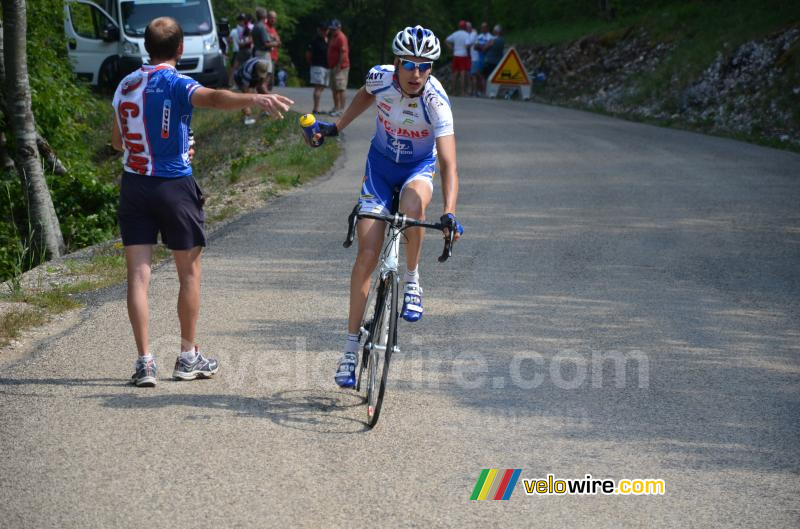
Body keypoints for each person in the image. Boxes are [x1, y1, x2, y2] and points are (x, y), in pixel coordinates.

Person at [112, 17, 293, 387]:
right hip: (174, 185)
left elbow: (118, 141)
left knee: (138, 276)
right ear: (180, 49)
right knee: (189, 273)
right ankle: (188, 356)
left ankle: (145, 362)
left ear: (147, 46)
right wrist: (254, 98)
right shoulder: (176, 82)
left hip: (134, 184)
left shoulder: (126, 84)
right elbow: (213, 97)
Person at [308, 25, 463, 388]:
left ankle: (412, 279)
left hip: (416, 170)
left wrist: (451, 212)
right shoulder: (380, 78)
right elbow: (363, 96)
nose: (416, 73)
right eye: (409, 64)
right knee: (367, 253)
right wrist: (337, 126)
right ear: (396, 63)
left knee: (413, 208)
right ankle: (349, 350)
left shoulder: (436, 100)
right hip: (379, 169)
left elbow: (449, 164)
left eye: (425, 66)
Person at [233, 57, 270, 124]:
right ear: (256, 70)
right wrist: (252, 96)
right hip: (239, 77)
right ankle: (247, 117)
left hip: (254, 73)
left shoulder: (265, 64)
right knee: (246, 97)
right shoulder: (247, 72)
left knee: (262, 89)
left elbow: (262, 83)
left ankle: (266, 110)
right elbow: (246, 91)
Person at [326, 19, 349, 117]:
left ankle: (341, 109)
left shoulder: (341, 37)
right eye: (331, 29)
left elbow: (343, 52)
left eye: (334, 29)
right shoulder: (333, 36)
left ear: (339, 28)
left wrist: (339, 66)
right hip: (333, 67)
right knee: (334, 88)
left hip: (340, 67)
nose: (332, 30)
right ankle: (336, 107)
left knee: (340, 88)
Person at [306, 20, 329, 114]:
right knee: (318, 87)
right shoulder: (314, 40)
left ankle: (317, 107)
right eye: (323, 30)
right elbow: (308, 54)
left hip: (326, 66)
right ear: (318, 30)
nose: (324, 31)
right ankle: (316, 108)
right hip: (317, 66)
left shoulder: (328, 39)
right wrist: (311, 63)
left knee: (322, 87)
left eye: (326, 30)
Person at [445, 20, 471, 96]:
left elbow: (446, 40)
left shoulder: (455, 34)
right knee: (463, 74)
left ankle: (453, 91)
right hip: (464, 55)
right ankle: (463, 92)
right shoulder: (467, 35)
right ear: (465, 27)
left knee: (455, 74)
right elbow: (467, 45)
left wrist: (452, 48)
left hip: (456, 55)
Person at [251, 7, 275, 90]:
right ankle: (263, 88)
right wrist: (276, 43)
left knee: (260, 73)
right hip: (264, 53)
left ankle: (260, 89)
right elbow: (266, 43)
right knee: (268, 72)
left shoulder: (255, 26)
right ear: (264, 16)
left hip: (257, 51)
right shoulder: (262, 27)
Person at [228, 13, 252, 86]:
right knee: (237, 68)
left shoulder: (235, 30)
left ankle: (233, 83)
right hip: (238, 50)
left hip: (241, 50)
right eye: (241, 20)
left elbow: (229, 41)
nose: (242, 22)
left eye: (243, 20)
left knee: (236, 68)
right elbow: (230, 41)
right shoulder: (245, 28)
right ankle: (232, 83)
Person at [472, 22, 492, 96]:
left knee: (482, 74)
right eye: (482, 27)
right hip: (479, 57)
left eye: (484, 27)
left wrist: (481, 46)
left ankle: (483, 91)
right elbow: (475, 46)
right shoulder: (479, 36)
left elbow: (486, 47)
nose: (482, 29)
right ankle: (480, 91)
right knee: (478, 74)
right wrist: (483, 46)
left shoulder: (490, 36)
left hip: (486, 58)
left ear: (487, 28)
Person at [266, 10, 282, 90]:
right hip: (267, 57)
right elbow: (267, 42)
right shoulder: (265, 27)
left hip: (273, 57)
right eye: (271, 18)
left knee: (271, 82)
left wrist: (276, 41)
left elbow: (279, 42)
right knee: (267, 81)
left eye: (274, 18)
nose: (273, 20)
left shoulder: (273, 29)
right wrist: (276, 41)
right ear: (267, 18)